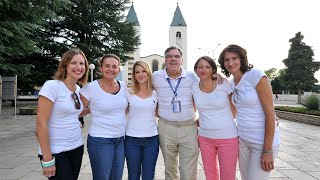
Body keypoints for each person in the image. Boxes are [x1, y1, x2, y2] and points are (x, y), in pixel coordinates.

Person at [218, 44, 280, 180]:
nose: (231, 62)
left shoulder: (255, 75)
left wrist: (267, 150)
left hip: (262, 143)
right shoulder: (231, 83)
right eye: (226, 60)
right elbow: (231, 113)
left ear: (242, 59)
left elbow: (270, 113)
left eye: (234, 58)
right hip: (243, 141)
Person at [35, 49, 89, 179]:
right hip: (56, 151)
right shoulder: (52, 86)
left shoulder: (78, 89)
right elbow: (40, 124)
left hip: (76, 147)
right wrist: (47, 159)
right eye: (73, 63)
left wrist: (96, 107)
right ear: (65, 65)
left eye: (82, 63)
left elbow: (72, 113)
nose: (78, 67)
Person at [152, 45, 199, 180]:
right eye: (169, 56)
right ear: (165, 60)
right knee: (170, 169)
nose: (173, 59)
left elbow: (205, 91)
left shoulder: (192, 76)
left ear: (181, 60)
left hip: (188, 128)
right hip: (166, 128)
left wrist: (217, 76)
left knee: (188, 171)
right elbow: (144, 90)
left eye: (177, 56)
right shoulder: (156, 77)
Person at [80, 54, 128, 180]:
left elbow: (125, 107)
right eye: (107, 66)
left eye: (114, 66)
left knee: (116, 177)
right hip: (100, 140)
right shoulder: (90, 88)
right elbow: (76, 110)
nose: (110, 69)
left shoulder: (123, 86)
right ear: (100, 68)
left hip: (120, 140)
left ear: (118, 69)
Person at [192, 56, 238, 180]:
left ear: (213, 70)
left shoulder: (223, 83)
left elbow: (235, 107)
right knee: (210, 175)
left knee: (228, 175)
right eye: (200, 67)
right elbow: (192, 108)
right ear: (195, 70)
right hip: (205, 138)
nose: (203, 70)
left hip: (227, 137)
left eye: (207, 67)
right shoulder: (194, 87)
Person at [125, 61, 159, 180]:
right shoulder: (128, 92)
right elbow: (120, 112)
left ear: (149, 73)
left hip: (152, 140)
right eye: (137, 72)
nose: (140, 74)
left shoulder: (155, 93)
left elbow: (160, 112)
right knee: (133, 176)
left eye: (143, 71)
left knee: (149, 176)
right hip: (131, 140)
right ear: (134, 75)